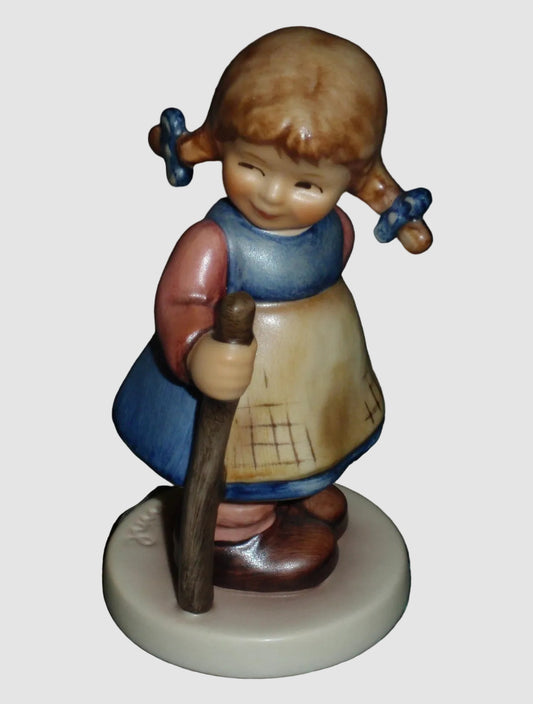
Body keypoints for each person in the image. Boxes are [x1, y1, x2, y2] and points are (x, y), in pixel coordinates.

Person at [113, 27, 432, 591]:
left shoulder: (336, 227)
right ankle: (233, 534)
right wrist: (197, 350)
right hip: (238, 395)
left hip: (314, 384)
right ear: (222, 146)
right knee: (240, 470)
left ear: (349, 183)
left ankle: (295, 494)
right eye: (252, 167)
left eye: (307, 184)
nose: (272, 195)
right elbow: (183, 300)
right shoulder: (214, 241)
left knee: (309, 442)